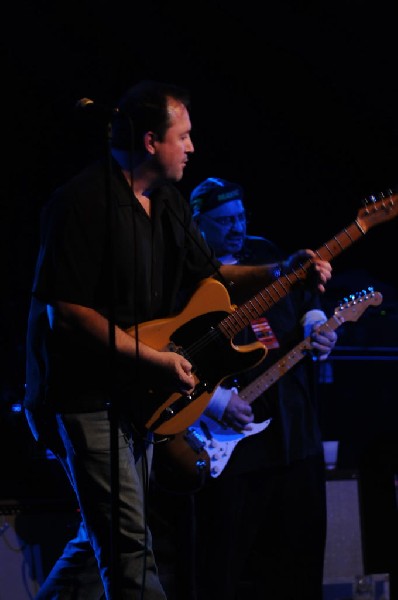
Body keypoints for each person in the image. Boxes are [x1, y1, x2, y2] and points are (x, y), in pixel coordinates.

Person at [23, 82, 332, 600]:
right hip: (83, 397)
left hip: (135, 392)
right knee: (129, 547)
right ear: (150, 141)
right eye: (183, 137)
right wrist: (155, 360)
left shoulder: (166, 203)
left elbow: (212, 278)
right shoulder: (79, 203)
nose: (192, 147)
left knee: (106, 538)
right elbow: (68, 313)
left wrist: (285, 270)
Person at [150, 176, 338, 600]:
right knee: (227, 564)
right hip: (233, 445)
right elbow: (162, 348)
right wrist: (215, 401)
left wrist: (316, 325)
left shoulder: (266, 252)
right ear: (198, 225)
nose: (237, 227)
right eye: (225, 220)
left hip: (295, 432)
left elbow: (307, 300)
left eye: (241, 217)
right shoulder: (181, 275)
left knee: (299, 558)